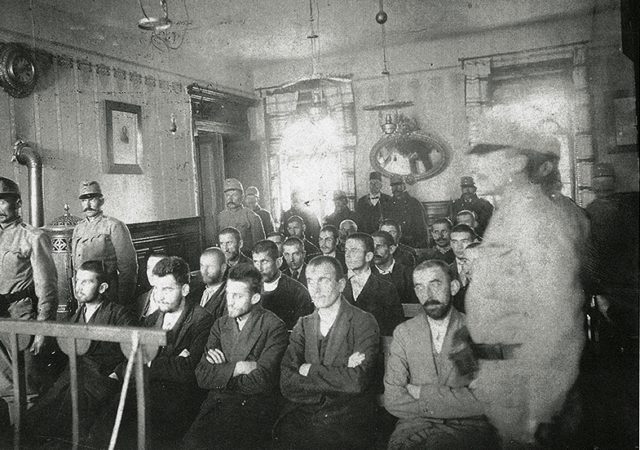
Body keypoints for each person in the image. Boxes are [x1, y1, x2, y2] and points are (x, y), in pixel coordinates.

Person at [464, 115, 588, 446]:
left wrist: (544, 407)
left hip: (529, 394)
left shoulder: (537, 220)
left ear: (517, 161)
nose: (474, 165)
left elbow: (559, 317)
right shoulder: (507, 215)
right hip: (504, 381)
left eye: (485, 153)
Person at [93, 257, 214, 447]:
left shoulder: (202, 320)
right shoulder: (152, 319)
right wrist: (119, 372)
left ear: (184, 290)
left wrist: (149, 364)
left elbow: (188, 370)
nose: (159, 296)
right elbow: (135, 357)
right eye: (156, 288)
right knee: (108, 408)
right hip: (148, 387)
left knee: (138, 421)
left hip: (180, 398)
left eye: (167, 289)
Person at [384, 259, 498, 449]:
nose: (427, 295)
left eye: (435, 285)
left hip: (466, 429)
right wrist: (456, 400)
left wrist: (421, 392)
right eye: (419, 288)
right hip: (413, 428)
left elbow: (486, 401)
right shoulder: (404, 333)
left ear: (453, 287)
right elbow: (393, 400)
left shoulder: (475, 332)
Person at [23, 261, 136, 445]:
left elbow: (136, 352)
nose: (78, 287)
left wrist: (116, 374)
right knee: (38, 415)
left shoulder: (119, 314)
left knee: (68, 423)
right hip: (72, 377)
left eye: (86, 282)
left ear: (102, 287)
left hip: (101, 381)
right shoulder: (76, 316)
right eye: (77, 281)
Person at [275, 256, 380, 450]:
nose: (315, 289)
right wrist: (340, 372)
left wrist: (310, 369)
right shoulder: (303, 324)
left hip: (345, 417)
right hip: (303, 412)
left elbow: (357, 382)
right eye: (311, 281)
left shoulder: (362, 321)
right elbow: (287, 381)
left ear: (341, 285)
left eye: (323, 280)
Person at [183, 263, 288, 450]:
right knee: (191, 444)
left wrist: (222, 372)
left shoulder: (274, 327)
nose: (229, 302)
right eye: (228, 294)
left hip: (253, 409)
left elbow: (262, 380)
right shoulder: (220, 324)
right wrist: (239, 368)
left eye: (237, 296)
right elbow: (201, 375)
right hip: (216, 403)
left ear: (255, 298)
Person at [584, 162, 639, 448]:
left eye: (604, 179)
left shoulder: (600, 212)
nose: (602, 184)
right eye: (599, 179)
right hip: (613, 294)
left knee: (619, 359)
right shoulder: (595, 213)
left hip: (620, 293)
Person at [0, 177, 58, 403]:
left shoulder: (33, 237)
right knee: (5, 387)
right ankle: (15, 436)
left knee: (29, 385)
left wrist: (43, 328)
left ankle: (32, 436)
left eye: (3, 201)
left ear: (18, 203)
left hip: (22, 315)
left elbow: (47, 287)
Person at [72, 180, 138, 304]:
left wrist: (123, 300)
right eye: (84, 200)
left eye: (92, 199)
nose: (88, 204)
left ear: (101, 201)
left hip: (107, 294)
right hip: (84, 295)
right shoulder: (78, 228)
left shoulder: (114, 226)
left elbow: (128, 267)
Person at [342, 232, 403, 336]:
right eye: (346, 250)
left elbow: (395, 328)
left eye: (354, 250)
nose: (347, 255)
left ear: (369, 256)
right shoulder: (336, 284)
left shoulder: (386, 288)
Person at [252, 240, 314, 330]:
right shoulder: (249, 289)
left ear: (278, 262)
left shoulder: (298, 292)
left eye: (264, 262)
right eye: (256, 262)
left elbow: (301, 333)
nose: (259, 268)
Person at [217, 178, 265, 256]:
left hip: (246, 261)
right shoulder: (220, 217)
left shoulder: (252, 217)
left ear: (242, 197)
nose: (230, 198)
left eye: (234, 195)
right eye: (227, 195)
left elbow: (260, 248)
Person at [370, 230, 418, 304]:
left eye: (379, 246)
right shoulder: (367, 274)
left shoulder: (408, 275)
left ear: (391, 249)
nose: (374, 251)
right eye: (371, 247)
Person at [187, 247, 228, 320]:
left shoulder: (228, 296)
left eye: (210, 266)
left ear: (223, 268)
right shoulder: (194, 291)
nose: (204, 271)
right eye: (202, 266)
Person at [388, 176, 429, 248]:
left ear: (404, 186)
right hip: (394, 244)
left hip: (412, 243)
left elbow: (422, 228)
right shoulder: (388, 204)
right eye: (393, 186)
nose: (396, 188)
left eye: (398, 185)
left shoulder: (414, 203)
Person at [134, 252, 166, 320]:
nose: (150, 273)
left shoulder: (174, 300)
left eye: (156, 268)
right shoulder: (142, 299)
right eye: (148, 268)